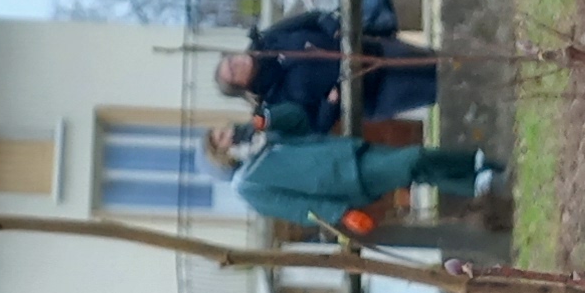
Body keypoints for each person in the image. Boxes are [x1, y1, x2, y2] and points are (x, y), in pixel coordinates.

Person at [205, 111, 494, 238]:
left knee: (417, 166)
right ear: (221, 155)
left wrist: (265, 120)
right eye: (219, 138)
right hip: (343, 182)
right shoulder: (247, 185)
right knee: (411, 162)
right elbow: (294, 207)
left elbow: (298, 119)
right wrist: (339, 214)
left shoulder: (262, 137)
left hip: (347, 153)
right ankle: (475, 179)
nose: (227, 133)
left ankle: (475, 170)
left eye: (222, 130)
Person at [213, 0, 439, 135]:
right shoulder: (275, 101)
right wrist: (331, 103)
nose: (238, 63)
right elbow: (315, 125)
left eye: (232, 60)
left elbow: (314, 18)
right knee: (438, 89)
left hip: (371, 51)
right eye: (233, 71)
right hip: (374, 94)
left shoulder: (270, 39)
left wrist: (334, 29)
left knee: (438, 62)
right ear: (240, 86)